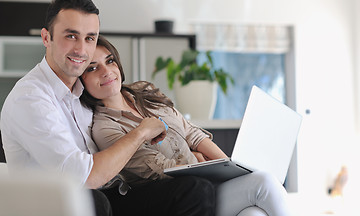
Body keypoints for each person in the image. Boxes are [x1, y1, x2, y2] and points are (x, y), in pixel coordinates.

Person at [0, 0, 215, 216]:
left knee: (194, 190)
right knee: (95, 201)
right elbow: (85, 178)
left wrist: (190, 157)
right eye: (71, 36)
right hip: (58, 205)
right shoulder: (31, 98)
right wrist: (142, 132)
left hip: (109, 193)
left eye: (90, 38)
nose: (81, 50)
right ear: (47, 38)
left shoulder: (82, 94)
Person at [80, 35, 294, 216]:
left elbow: (192, 133)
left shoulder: (145, 90)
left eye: (109, 61)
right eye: (92, 68)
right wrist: (196, 161)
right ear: (82, 80)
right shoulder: (104, 127)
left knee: (254, 213)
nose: (106, 71)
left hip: (211, 178)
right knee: (264, 183)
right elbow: (158, 170)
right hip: (190, 194)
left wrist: (230, 165)